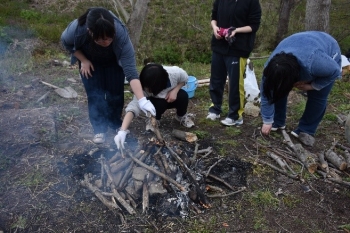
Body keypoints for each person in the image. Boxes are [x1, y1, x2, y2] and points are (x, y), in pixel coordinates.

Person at [61, 7, 155, 144]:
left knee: (115, 94)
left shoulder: (121, 34)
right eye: (100, 40)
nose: (106, 42)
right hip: (90, 63)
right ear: (90, 32)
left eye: (109, 39)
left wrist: (142, 100)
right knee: (94, 96)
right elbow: (66, 43)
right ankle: (99, 129)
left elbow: (131, 71)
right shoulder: (77, 30)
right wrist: (83, 60)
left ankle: (116, 124)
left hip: (113, 63)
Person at [260, 31, 342, 146]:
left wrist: (312, 86)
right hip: (297, 43)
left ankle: (306, 129)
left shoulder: (317, 63)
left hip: (327, 46)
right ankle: (277, 121)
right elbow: (267, 94)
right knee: (278, 87)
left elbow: (335, 72)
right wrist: (267, 120)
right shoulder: (270, 69)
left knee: (318, 95)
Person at [207, 0, 261, 126]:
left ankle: (235, 115)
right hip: (219, 45)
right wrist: (215, 28)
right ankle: (215, 109)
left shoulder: (251, 2)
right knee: (216, 79)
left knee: (235, 83)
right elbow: (214, 17)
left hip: (238, 48)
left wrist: (236, 30)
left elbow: (254, 25)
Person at [114, 63, 195, 149]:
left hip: (170, 97)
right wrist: (122, 131)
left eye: (149, 88)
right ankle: (154, 119)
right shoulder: (143, 85)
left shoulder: (175, 73)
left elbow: (185, 78)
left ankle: (181, 116)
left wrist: (175, 90)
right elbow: (133, 107)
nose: (146, 89)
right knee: (160, 103)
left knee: (183, 96)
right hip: (156, 103)